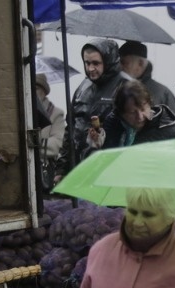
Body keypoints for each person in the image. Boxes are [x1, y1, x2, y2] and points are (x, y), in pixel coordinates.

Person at [54, 39, 124, 183]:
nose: (90, 68)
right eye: (87, 63)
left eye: (96, 63)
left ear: (108, 61)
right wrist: (61, 168)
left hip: (108, 170)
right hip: (79, 168)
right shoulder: (83, 87)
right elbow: (71, 129)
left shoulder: (124, 87)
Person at [87, 80, 175, 151]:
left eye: (143, 109)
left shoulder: (169, 132)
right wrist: (96, 147)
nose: (140, 117)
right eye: (132, 112)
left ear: (150, 105)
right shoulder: (112, 125)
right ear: (121, 113)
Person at [118, 40, 175, 113]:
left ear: (140, 63)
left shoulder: (162, 93)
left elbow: (171, 123)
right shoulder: (116, 87)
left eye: (124, 63)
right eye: (118, 63)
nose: (120, 67)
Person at [35, 73, 65, 194]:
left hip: (44, 169)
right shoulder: (25, 112)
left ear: (44, 91)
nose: (33, 92)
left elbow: (57, 144)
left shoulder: (55, 113)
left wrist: (35, 142)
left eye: (36, 88)